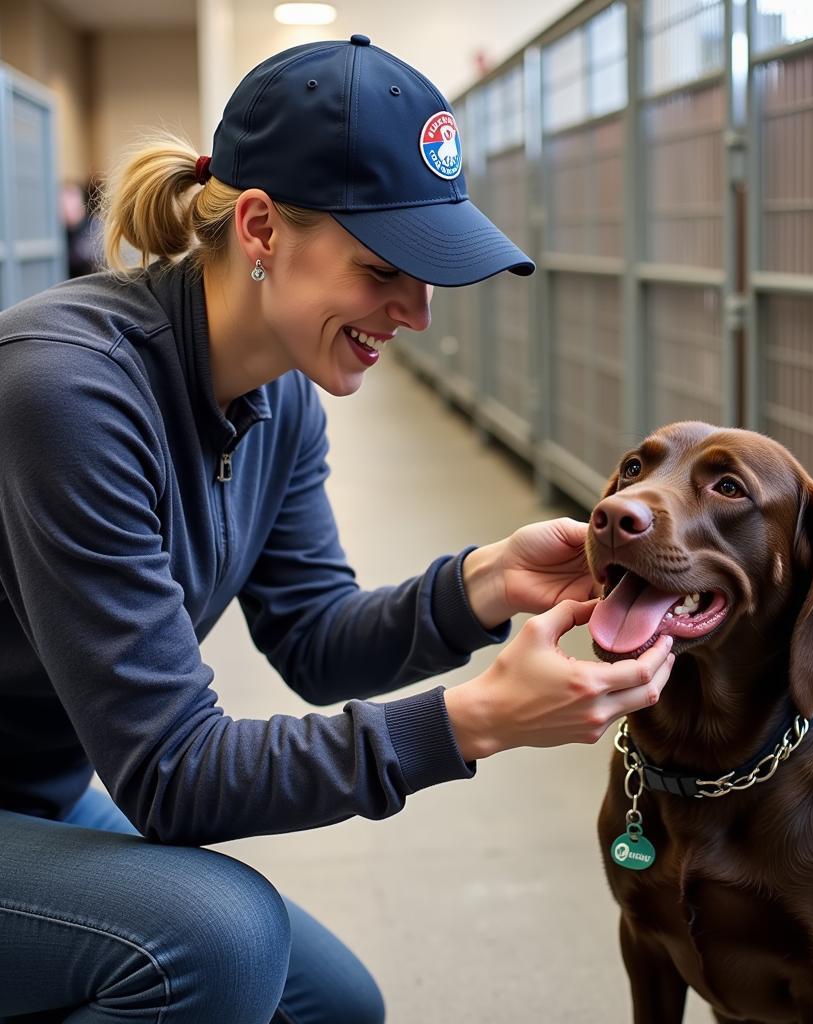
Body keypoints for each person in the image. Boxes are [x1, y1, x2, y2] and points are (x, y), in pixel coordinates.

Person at [0, 36, 675, 1023]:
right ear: (263, 228)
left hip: (38, 790)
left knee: (334, 1006)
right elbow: (174, 774)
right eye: (385, 268)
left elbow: (313, 637)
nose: (418, 313)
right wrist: (473, 721)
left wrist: (481, 583)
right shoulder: (68, 391)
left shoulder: (282, 400)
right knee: (220, 943)